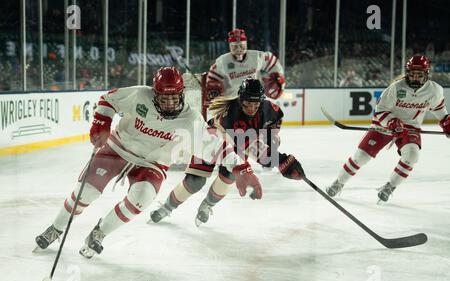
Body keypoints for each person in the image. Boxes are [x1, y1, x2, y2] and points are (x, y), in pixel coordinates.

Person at [34, 67, 263, 258]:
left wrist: (242, 168)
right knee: (86, 193)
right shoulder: (140, 95)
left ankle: (99, 232)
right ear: (155, 93)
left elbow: (216, 146)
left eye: (175, 97)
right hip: (117, 148)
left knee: (142, 197)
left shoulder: (191, 118)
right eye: (165, 98)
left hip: (152, 163)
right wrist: (101, 123)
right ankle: (56, 228)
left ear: (182, 94)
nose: (170, 103)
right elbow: (109, 99)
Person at [149, 78, 305, 226]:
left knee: (229, 176)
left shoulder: (271, 110)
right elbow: (253, 150)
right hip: (211, 144)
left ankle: (206, 205)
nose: (251, 108)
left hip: (239, 146)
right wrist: (280, 160)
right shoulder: (230, 116)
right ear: (240, 100)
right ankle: (167, 207)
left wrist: (275, 145)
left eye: (255, 104)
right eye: (246, 104)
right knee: (195, 182)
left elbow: (272, 130)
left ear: (261, 101)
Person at [326, 55, 450, 203]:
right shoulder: (396, 88)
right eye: (412, 74)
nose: (415, 78)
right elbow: (380, 110)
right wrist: (392, 123)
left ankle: (390, 187)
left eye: (419, 75)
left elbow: (440, 111)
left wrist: (446, 123)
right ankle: (339, 182)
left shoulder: (435, 91)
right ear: (407, 73)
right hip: (384, 125)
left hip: (410, 126)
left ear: (427, 74)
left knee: (412, 156)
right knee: (361, 157)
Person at [205, 28, 286, 111]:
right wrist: (213, 90)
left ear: (246, 44)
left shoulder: (257, 57)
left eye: (241, 46)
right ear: (230, 46)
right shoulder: (223, 61)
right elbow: (213, 77)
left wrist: (279, 77)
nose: (239, 49)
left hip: (254, 100)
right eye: (235, 46)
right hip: (232, 103)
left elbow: (273, 62)